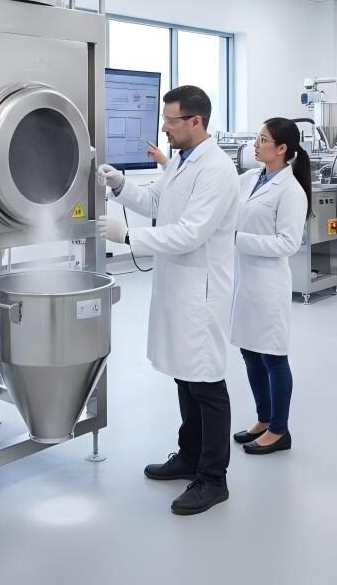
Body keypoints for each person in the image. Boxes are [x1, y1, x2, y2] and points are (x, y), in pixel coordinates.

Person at [97, 85, 238, 516]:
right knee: (184, 375)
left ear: (196, 121)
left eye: (170, 120)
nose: (164, 128)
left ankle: (213, 478)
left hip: (201, 291)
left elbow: (191, 232)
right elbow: (157, 200)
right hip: (178, 284)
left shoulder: (216, 169)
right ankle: (189, 455)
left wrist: (128, 237)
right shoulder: (182, 160)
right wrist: (121, 185)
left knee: (206, 381)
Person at [230, 117, 311, 455]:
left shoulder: (291, 192)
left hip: (268, 285)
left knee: (273, 357)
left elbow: (288, 243)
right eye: (257, 137)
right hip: (244, 280)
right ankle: (264, 419)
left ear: (282, 149)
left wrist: (238, 239)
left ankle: (280, 430)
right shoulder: (251, 178)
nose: (256, 143)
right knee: (250, 351)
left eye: (263, 139)